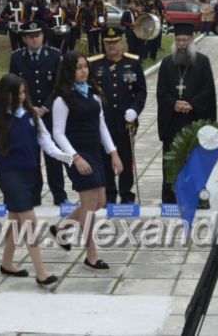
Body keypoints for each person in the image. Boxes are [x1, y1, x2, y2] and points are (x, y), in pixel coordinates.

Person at [0, 73, 72, 286]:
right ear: (5, 94)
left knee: (16, 221)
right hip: (8, 175)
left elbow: (45, 140)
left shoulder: (31, 115)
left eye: (23, 92)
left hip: (30, 174)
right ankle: (42, 273)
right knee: (29, 221)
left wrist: (60, 155)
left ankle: (7, 263)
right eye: (16, 93)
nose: (21, 96)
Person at [51, 51, 123, 271]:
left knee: (100, 201)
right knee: (90, 205)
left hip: (95, 153)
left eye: (85, 66)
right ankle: (92, 255)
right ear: (69, 71)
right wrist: (75, 157)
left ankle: (62, 228)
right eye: (78, 67)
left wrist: (113, 153)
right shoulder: (62, 100)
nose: (83, 71)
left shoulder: (93, 94)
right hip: (76, 154)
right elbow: (58, 134)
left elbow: (101, 126)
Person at [156, 23, 216, 203]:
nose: (181, 44)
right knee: (172, 162)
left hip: (194, 121)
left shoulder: (203, 61)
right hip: (173, 122)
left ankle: (197, 199)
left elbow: (208, 90)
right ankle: (171, 199)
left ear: (191, 41)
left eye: (185, 40)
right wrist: (174, 103)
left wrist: (192, 104)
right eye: (178, 40)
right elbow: (161, 91)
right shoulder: (167, 63)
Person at [8, 21, 67, 205]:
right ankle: (33, 196)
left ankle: (59, 195)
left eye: (38, 35)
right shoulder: (17, 58)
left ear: (43, 36)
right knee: (30, 156)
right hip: (28, 114)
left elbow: (60, 84)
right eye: (31, 36)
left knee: (54, 157)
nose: (35, 39)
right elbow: (13, 85)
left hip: (49, 114)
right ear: (24, 39)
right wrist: (28, 106)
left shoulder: (55, 55)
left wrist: (46, 107)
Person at [89, 27, 147, 203]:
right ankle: (109, 194)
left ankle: (126, 194)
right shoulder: (94, 64)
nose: (112, 46)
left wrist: (135, 110)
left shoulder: (133, 63)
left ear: (122, 42)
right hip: (103, 121)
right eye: (108, 43)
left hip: (125, 120)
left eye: (115, 42)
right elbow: (90, 91)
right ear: (103, 44)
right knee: (105, 158)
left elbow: (141, 91)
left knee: (126, 157)